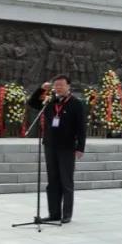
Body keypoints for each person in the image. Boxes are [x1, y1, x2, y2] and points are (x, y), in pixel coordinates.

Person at [27, 75, 86, 223]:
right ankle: (54, 213)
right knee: (52, 181)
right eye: (56, 85)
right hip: (50, 145)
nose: (58, 88)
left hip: (67, 147)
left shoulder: (76, 104)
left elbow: (81, 127)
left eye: (61, 85)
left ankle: (67, 214)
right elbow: (32, 103)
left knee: (66, 181)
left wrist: (80, 147)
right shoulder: (49, 101)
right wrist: (41, 89)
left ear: (68, 86)